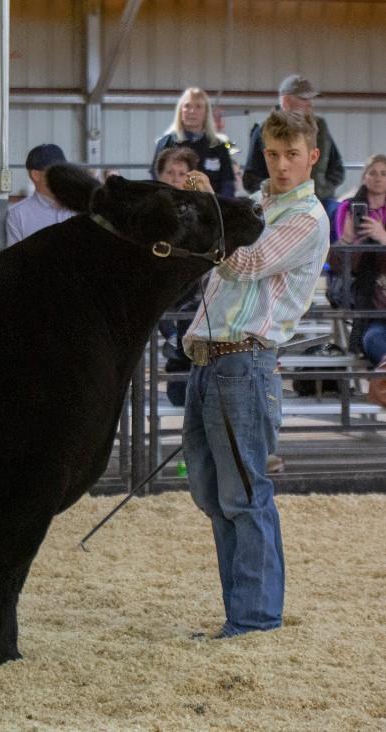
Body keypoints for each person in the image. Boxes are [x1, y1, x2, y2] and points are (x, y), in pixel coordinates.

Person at [182, 110, 330, 639]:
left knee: (243, 494)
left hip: (244, 361)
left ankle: (255, 619)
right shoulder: (259, 205)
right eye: (273, 153)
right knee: (210, 490)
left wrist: (209, 209)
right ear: (262, 153)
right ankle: (241, 614)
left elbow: (245, 263)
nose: (282, 164)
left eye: (292, 154)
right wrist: (211, 204)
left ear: (312, 156)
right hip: (211, 359)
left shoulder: (307, 217)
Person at [243, 75, 345, 216]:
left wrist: (320, 190)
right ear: (285, 101)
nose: (310, 104)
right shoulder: (264, 131)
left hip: (318, 208)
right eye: (304, 99)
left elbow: (337, 169)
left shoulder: (320, 129)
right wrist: (277, 194)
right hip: (277, 213)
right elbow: (250, 178)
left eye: (310, 99)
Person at [155, 147, 202, 407]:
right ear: (159, 175)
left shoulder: (201, 212)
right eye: (169, 172)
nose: (175, 178)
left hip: (188, 286)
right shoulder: (148, 212)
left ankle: (182, 376)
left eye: (181, 173)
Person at [330, 154, 386, 362]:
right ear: (364, 177)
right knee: (373, 339)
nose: (378, 178)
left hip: (379, 281)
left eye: (384, 174)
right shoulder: (347, 208)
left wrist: (382, 237)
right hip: (364, 290)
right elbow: (337, 263)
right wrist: (347, 239)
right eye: (373, 173)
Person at [150, 88, 235, 197]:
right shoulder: (166, 143)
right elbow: (155, 180)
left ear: (206, 112)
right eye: (187, 106)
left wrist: (222, 208)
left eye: (198, 106)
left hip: (210, 208)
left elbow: (227, 183)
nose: (192, 111)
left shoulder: (218, 146)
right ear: (180, 111)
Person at [5, 143, 74, 245]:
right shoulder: (19, 215)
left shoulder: (82, 208)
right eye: (56, 171)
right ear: (35, 175)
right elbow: (15, 258)